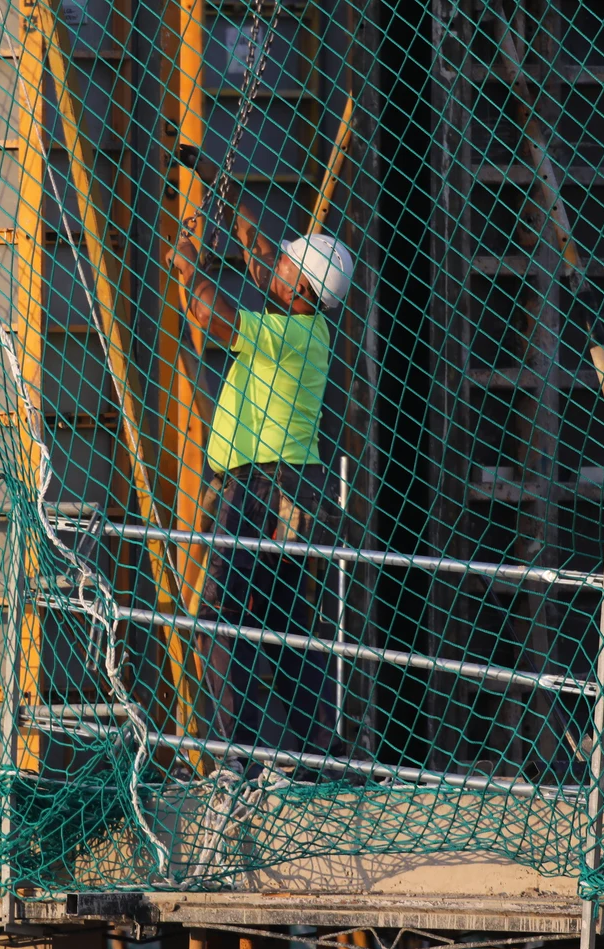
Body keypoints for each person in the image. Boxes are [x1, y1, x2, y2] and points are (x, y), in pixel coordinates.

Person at [164, 156, 356, 766]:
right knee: (286, 625)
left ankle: (237, 758)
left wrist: (187, 264)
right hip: (284, 488)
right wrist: (224, 192)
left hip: (263, 489)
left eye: (285, 268)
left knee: (223, 616)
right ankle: (312, 752)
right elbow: (261, 251)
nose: (273, 266)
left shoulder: (291, 336)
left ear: (299, 289)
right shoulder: (303, 317)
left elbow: (210, 315)